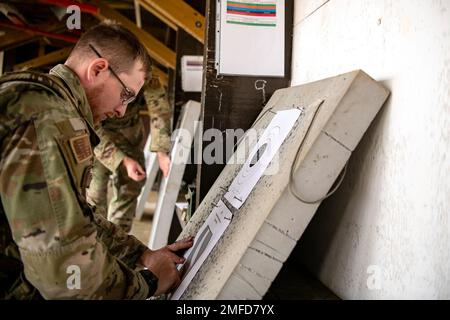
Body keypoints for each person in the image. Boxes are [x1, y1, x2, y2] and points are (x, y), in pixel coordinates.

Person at [0, 21, 193, 299]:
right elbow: (67, 277)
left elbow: (76, 216)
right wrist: (149, 282)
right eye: (125, 95)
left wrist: (141, 254)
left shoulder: (38, 99)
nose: (121, 110)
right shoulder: (47, 118)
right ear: (98, 69)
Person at [87, 77, 172, 233]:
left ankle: (119, 245)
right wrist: (122, 160)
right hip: (97, 139)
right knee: (95, 195)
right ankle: (94, 244)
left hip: (129, 135)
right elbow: (90, 125)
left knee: (129, 188)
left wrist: (162, 151)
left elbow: (159, 108)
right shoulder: (95, 76)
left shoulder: (143, 70)